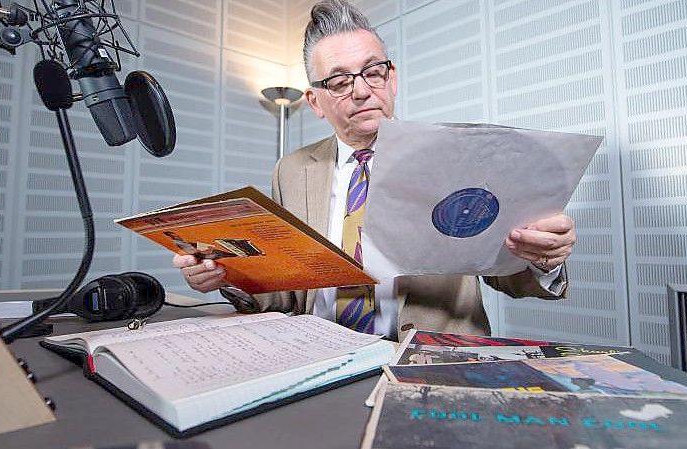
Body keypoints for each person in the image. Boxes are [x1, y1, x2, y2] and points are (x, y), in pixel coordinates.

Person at [173, 0, 575, 340]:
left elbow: (505, 275)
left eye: (372, 71)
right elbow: (287, 294)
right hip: (318, 354)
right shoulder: (292, 171)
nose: (362, 90)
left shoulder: (461, 157)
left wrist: (544, 259)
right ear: (315, 101)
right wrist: (230, 276)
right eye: (339, 81)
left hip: (432, 362)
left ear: (392, 78)